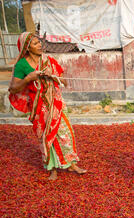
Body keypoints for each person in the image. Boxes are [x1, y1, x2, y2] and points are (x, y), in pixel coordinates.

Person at [9, 32, 87, 181]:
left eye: (39, 42)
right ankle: (52, 168)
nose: (40, 45)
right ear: (27, 48)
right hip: (39, 106)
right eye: (35, 43)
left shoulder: (49, 60)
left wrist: (54, 76)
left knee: (66, 132)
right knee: (45, 137)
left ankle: (71, 164)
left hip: (56, 102)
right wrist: (28, 78)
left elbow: (64, 82)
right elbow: (13, 88)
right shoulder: (22, 65)